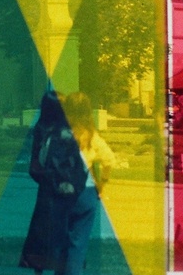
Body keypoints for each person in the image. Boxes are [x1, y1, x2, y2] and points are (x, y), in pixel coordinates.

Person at [20, 90, 86, 274]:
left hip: (46, 185)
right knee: (62, 229)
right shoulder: (63, 128)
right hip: (62, 184)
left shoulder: (41, 127)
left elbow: (35, 162)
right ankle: (62, 265)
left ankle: (38, 266)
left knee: (41, 231)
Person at [57, 92, 115, 275]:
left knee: (61, 242)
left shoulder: (60, 133)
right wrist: (102, 183)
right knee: (78, 245)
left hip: (61, 192)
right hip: (86, 192)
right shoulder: (92, 137)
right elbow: (109, 160)